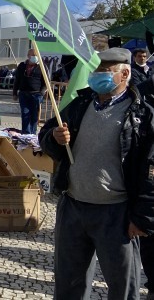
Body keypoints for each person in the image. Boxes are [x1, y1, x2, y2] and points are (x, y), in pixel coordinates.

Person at [40, 47, 154, 300]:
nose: (96, 76)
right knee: (69, 284)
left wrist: (143, 218)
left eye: (104, 71)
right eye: (95, 71)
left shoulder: (142, 115)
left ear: (124, 74)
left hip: (117, 214)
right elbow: (46, 140)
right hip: (73, 208)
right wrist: (54, 139)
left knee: (123, 287)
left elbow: (151, 170)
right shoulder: (79, 105)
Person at [12, 48, 46, 135]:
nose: (34, 57)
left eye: (36, 55)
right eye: (33, 55)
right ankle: (26, 133)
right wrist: (14, 93)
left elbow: (46, 81)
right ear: (28, 56)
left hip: (36, 94)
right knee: (25, 113)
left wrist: (41, 93)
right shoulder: (22, 65)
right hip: (23, 93)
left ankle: (33, 133)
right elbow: (17, 80)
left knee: (34, 115)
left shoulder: (42, 66)